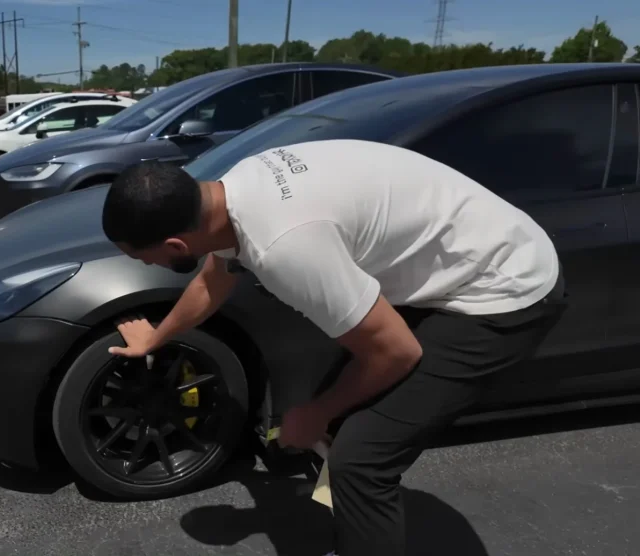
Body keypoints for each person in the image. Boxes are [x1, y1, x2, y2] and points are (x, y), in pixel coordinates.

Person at [100, 139, 568, 556]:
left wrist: (319, 412)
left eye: (143, 257)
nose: (146, 264)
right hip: (462, 257)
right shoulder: (235, 189)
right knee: (344, 402)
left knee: (360, 461)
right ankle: (351, 516)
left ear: (177, 243)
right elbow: (214, 277)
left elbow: (396, 352)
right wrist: (157, 337)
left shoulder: (283, 247)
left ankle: (357, 509)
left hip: (504, 294)